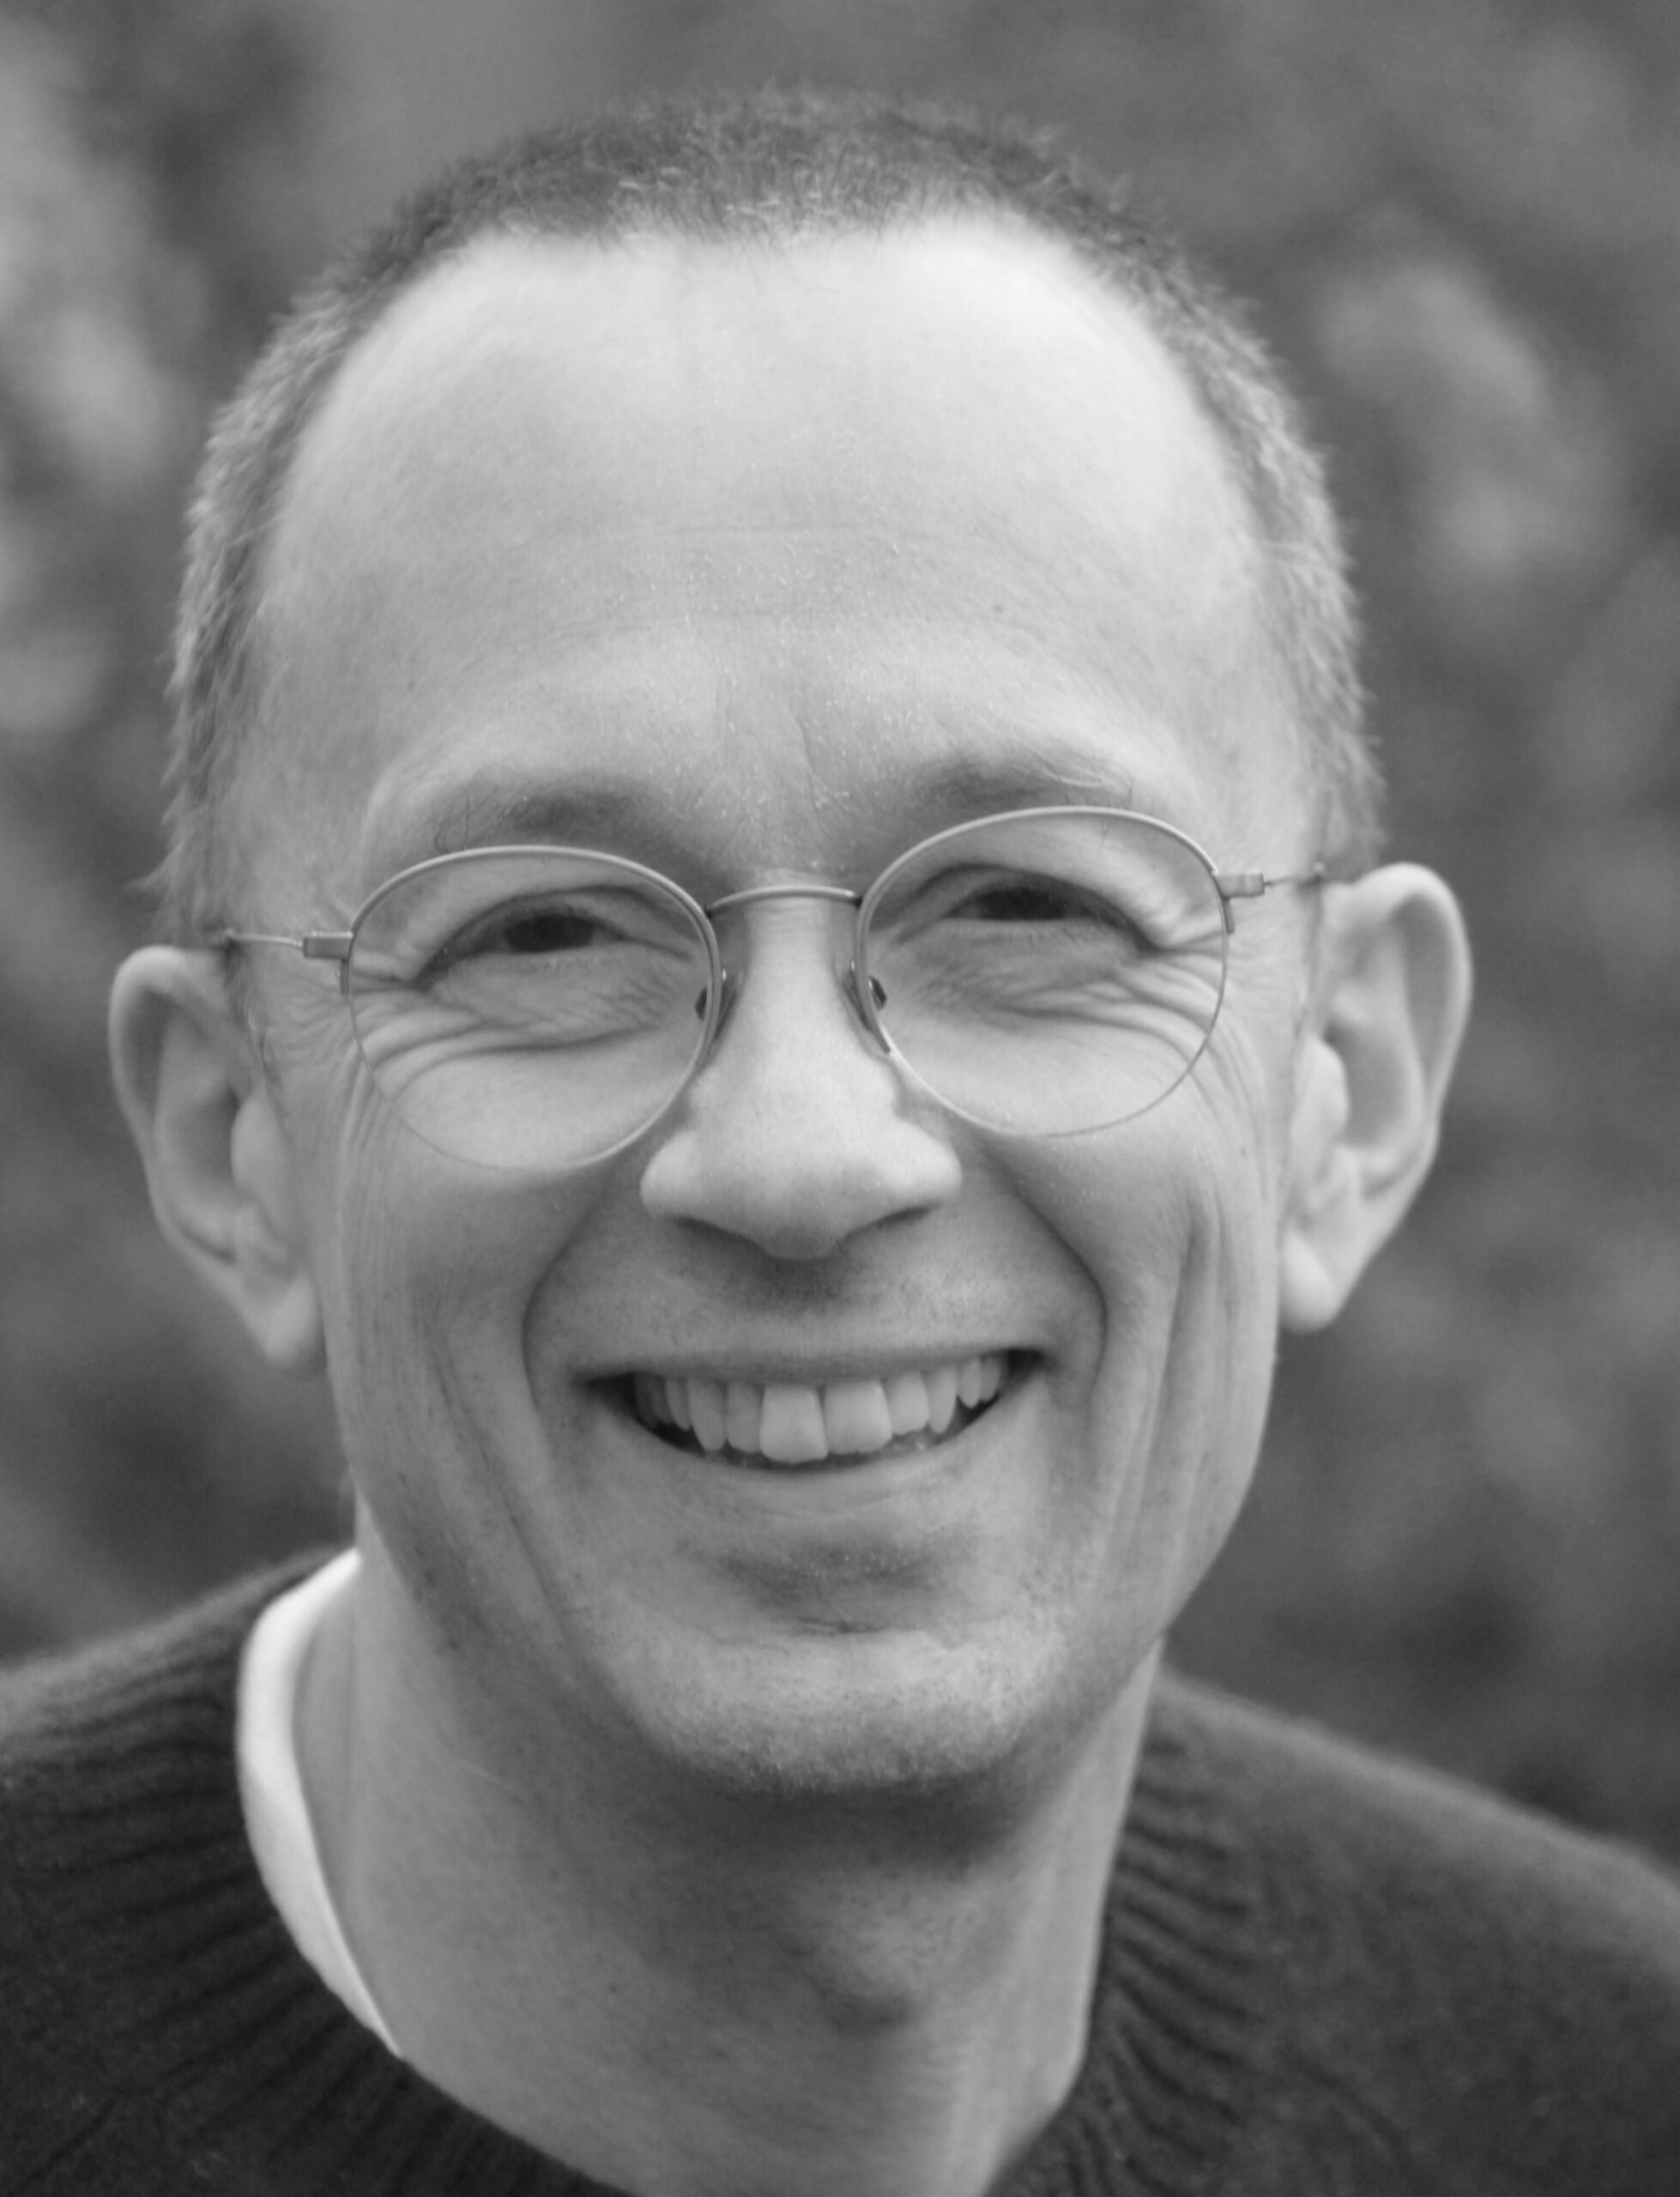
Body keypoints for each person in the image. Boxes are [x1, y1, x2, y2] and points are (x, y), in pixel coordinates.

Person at [3, 88, 1677, 2197]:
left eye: (1026, 908)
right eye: (546, 932)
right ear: (233, 1130)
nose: (799, 1154)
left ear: (1346, 1081)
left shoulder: (1608, 2098)